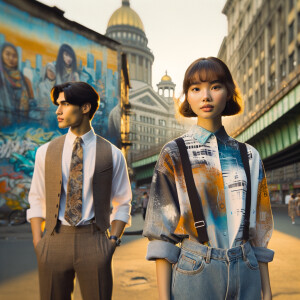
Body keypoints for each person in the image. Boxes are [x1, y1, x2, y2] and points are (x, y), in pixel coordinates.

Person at [143, 57, 274, 300]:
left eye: (215, 86)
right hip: (196, 269)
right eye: (196, 89)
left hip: (247, 267)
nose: (206, 96)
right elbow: (162, 234)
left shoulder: (249, 155)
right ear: (187, 97)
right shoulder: (173, 153)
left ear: (228, 92)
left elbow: (260, 231)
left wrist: (266, 291)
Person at [27, 81, 132, 300]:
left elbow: (122, 202)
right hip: (54, 239)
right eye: (58, 104)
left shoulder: (113, 154)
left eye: (64, 104)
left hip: (94, 239)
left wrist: (111, 242)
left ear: (85, 108)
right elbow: (36, 198)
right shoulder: (45, 152)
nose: (58, 111)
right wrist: (39, 243)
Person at [0, 42, 34, 125]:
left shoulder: (25, 80)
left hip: (22, 126)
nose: (11, 58)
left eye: (14, 56)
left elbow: (32, 102)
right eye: (7, 54)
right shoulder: (1, 77)